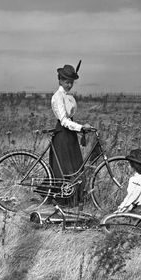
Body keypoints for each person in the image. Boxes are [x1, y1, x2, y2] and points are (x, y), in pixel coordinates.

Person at [50, 62, 93, 207]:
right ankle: (62, 200)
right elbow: (63, 120)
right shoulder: (58, 97)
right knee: (64, 168)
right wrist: (80, 127)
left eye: (72, 82)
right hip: (62, 135)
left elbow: (70, 119)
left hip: (71, 135)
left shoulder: (68, 96)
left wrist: (79, 128)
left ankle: (73, 199)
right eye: (67, 82)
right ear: (60, 80)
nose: (69, 85)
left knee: (75, 166)